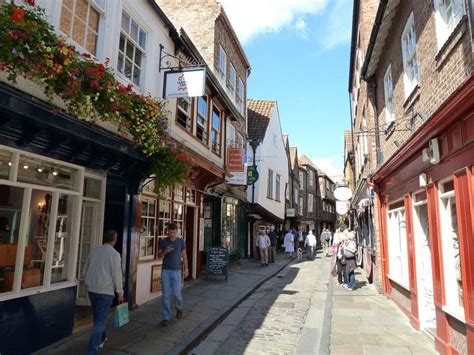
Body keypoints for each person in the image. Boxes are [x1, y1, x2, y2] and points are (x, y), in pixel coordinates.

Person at [84, 229, 124, 354]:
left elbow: (85, 270)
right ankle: (91, 351)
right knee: (100, 321)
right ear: (115, 240)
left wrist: (88, 282)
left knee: (98, 316)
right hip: (105, 291)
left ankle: (101, 337)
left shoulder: (94, 251)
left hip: (92, 289)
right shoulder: (114, 254)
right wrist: (120, 293)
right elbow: (117, 275)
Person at [158, 223, 189, 327]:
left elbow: (184, 256)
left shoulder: (181, 241)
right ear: (168, 231)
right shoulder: (164, 241)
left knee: (177, 293)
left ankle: (179, 308)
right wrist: (165, 251)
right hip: (166, 271)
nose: (172, 234)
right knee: (165, 295)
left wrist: (186, 269)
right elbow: (159, 256)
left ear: (177, 231)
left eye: (174, 232)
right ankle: (166, 317)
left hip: (176, 271)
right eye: (170, 232)